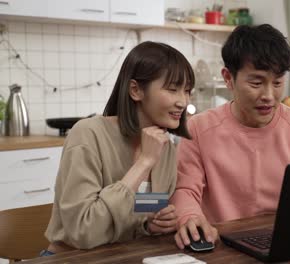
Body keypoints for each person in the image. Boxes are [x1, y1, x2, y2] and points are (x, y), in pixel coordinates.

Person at [171, 24, 290, 249]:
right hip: (223, 247)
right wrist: (189, 217)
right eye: (256, 83)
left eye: (277, 83)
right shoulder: (197, 129)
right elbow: (185, 189)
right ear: (228, 78)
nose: (269, 96)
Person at [42, 41, 194, 254]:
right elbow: (84, 231)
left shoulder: (164, 145)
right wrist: (143, 163)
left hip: (124, 256)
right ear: (135, 90)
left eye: (187, 91)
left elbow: (142, 207)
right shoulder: (88, 133)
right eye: (172, 89)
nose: (183, 101)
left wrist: (150, 224)